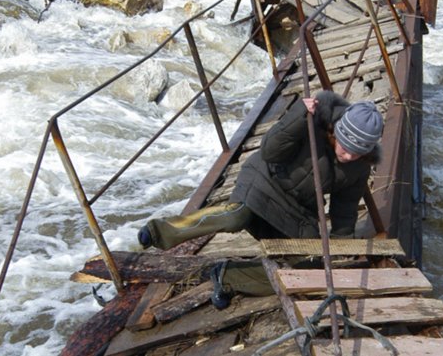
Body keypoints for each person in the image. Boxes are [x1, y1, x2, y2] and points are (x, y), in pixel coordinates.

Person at [137, 90, 383, 249]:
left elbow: (345, 212)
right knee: (236, 217)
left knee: (307, 262)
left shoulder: (358, 168)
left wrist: (343, 249)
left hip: (298, 210)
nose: (349, 155)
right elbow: (270, 151)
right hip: (265, 179)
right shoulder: (311, 123)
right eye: (346, 145)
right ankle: (161, 231)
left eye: (358, 151)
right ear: (336, 131)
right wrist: (296, 117)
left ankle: (228, 279)